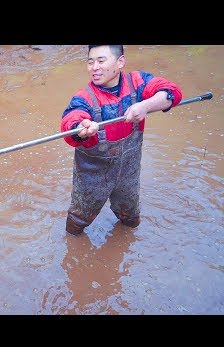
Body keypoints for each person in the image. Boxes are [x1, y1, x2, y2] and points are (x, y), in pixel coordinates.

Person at [61, 45, 182, 236]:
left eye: (101, 61)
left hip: (129, 171)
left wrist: (145, 105)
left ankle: (127, 245)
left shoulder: (137, 82)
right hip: (92, 176)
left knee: (131, 218)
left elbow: (171, 92)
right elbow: (70, 123)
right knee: (78, 221)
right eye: (90, 62)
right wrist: (80, 128)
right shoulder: (84, 97)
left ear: (120, 62)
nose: (94, 67)